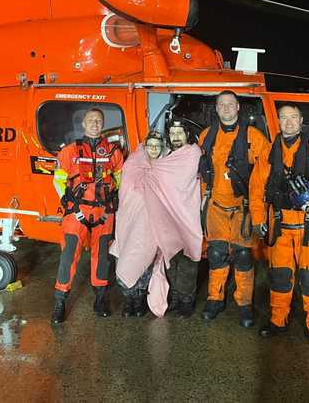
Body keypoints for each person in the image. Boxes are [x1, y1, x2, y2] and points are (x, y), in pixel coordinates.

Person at [253, 104, 309, 347]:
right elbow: (256, 188)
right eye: (284, 118)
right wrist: (258, 220)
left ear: (301, 120)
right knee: (279, 277)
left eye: (294, 117)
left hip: (308, 228)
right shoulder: (269, 152)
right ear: (278, 121)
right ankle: (277, 321)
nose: (289, 122)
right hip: (279, 225)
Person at [111, 128, 203, 318]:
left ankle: (143, 301)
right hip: (130, 222)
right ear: (145, 147)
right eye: (150, 145)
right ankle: (130, 300)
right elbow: (124, 193)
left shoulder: (166, 166)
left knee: (148, 262)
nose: (153, 149)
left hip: (155, 225)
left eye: (157, 146)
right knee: (127, 257)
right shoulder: (132, 164)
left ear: (162, 147)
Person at [198, 91, 270, 328]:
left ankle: (244, 303)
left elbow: (266, 174)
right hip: (215, 206)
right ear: (216, 109)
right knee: (217, 254)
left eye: (230, 104)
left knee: (242, 257)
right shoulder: (206, 136)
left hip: (244, 207)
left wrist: (261, 213)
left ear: (238, 107)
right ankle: (215, 298)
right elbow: (198, 174)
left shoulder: (254, 137)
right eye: (222, 104)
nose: (226, 108)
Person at [50, 108, 124, 324]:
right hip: (76, 213)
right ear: (83, 123)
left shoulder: (112, 152)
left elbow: (119, 178)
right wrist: (69, 202)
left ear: (102, 125)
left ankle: (100, 299)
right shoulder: (70, 151)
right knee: (68, 257)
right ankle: (60, 302)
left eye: (98, 121)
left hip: (104, 212)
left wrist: (110, 199)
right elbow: (58, 180)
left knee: (101, 258)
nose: (95, 123)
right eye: (91, 120)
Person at [165, 119, 203, 318]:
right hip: (168, 215)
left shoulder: (193, 153)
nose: (176, 136)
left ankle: (187, 299)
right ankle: (175, 296)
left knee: (188, 258)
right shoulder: (166, 156)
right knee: (171, 258)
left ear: (187, 134)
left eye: (180, 132)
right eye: (172, 133)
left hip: (188, 214)